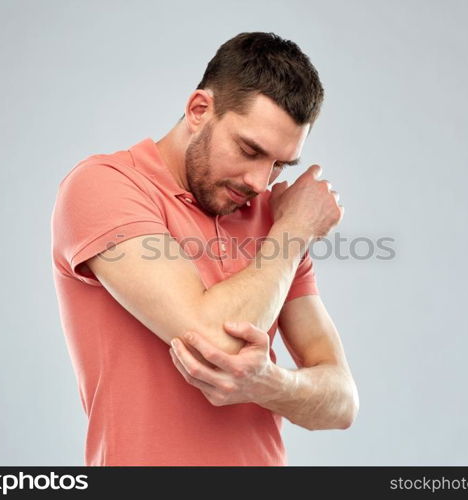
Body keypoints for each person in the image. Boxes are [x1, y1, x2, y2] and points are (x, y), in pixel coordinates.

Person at [51, 31, 358, 466]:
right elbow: (214, 344)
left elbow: (342, 401)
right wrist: (294, 232)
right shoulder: (105, 186)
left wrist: (269, 384)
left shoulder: (274, 223)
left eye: (278, 165)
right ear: (199, 110)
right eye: (249, 149)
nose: (259, 181)